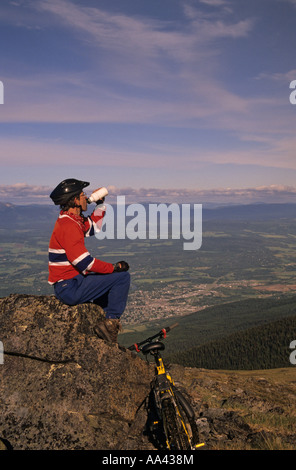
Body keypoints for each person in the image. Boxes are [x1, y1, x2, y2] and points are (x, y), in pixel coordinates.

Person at [48, 178, 130, 344]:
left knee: (106, 278)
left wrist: (100, 204)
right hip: (69, 287)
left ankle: (100, 318)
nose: (86, 197)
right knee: (122, 278)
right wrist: (113, 268)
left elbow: (94, 227)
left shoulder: (71, 220)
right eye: (82, 195)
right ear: (75, 200)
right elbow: (85, 263)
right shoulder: (69, 226)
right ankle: (110, 322)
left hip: (71, 283)